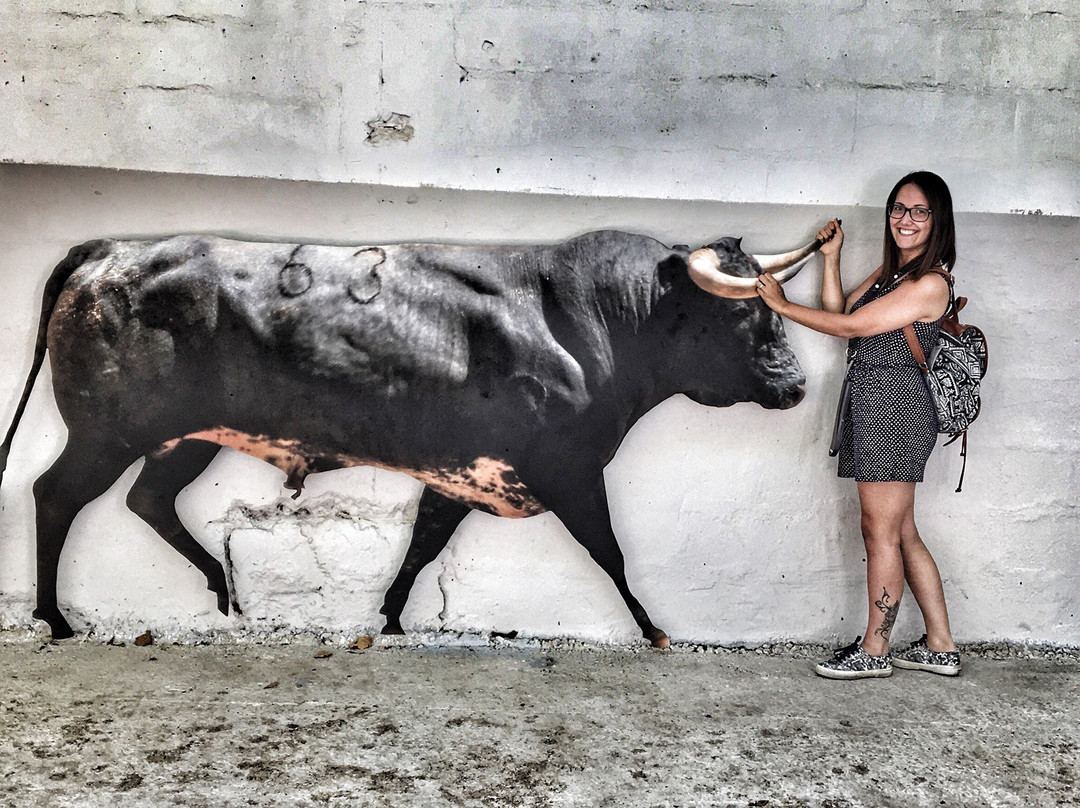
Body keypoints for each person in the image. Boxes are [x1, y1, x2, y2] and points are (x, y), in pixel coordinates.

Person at [756, 171, 962, 679]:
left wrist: (782, 306)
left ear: (938, 220)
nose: (905, 219)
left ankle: (875, 649)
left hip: (897, 411)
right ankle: (941, 645)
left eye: (919, 211)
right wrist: (832, 258)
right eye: (898, 209)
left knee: (879, 530)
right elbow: (841, 311)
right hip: (875, 405)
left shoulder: (930, 283)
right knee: (901, 531)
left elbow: (849, 327)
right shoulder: (893, 273)